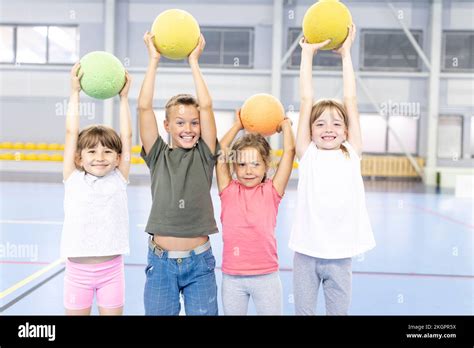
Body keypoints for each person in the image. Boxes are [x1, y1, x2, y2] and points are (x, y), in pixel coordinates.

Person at [290, 24, 376, 315]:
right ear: (311, 131)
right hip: (306, 254)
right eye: (320, 123)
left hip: (341, 256)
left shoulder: (352, 153)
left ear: (347, 131)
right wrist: (307, 55)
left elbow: (350, 100)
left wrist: (346, 55)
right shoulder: (308, 154)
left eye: (337, 123)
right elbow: (306, 99)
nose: (329, 129)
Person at [138, 32, 219, 315]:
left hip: (200, 263)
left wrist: (193, 61)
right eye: (180, 122)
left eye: (194, 122)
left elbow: (207, 106)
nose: (189, 128)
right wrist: (153, 61)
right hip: (161, 264)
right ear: (167, 125)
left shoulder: (205, 154)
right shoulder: (158, 155)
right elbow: (143, 107)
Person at [61, 63, 132, 315]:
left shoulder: (119, 177)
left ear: (117, 157)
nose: (100, 157)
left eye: (107, 151)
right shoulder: (73, 177)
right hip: (77, 272)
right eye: (91, 151)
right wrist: (75, 93)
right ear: (79, 158)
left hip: (111, 271)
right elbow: (71, 132)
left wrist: (123, 98)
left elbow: (127, 136)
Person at [216, 110, 295, 315]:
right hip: (233, 278)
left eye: (255, 164)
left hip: (266, 276)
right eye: (241, 164)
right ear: (234, 166)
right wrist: (237, 125)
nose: (248, 170)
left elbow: (289, 152)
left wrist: (286, 126)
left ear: (266, 165)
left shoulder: (272, 191)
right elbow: (220, 151)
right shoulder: (228, 190)